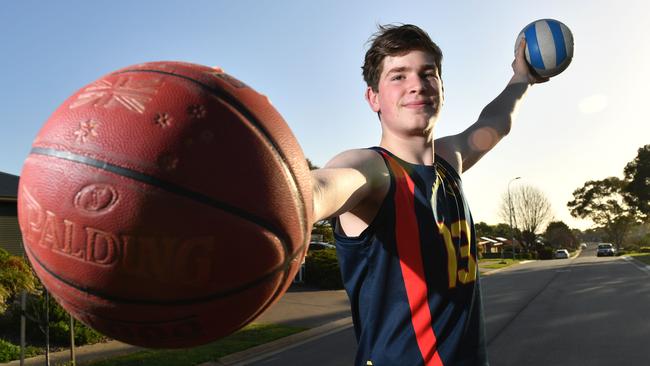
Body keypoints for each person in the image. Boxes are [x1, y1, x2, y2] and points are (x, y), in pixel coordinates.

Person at [309, 24, 547, 366]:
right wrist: (287, 200)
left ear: (442, 88)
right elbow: (318, 189)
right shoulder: (371, 169)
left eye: (427, 73)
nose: (416, 85)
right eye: (398, 76)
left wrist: (522, 77)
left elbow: (497, 121)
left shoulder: (451, 159)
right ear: (373, 97)